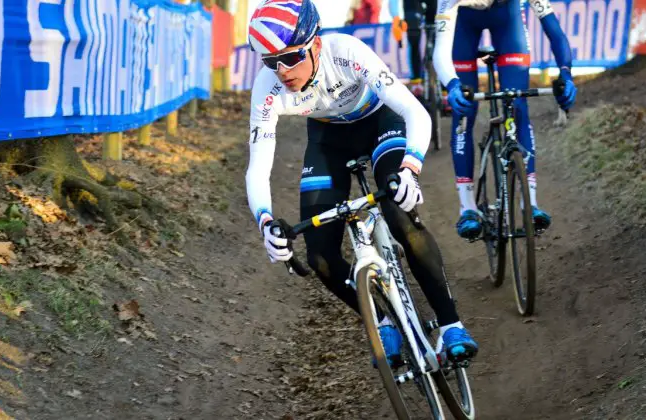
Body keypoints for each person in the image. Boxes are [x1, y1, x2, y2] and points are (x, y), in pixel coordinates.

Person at [246, 0, 477, 366]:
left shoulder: (348, 53)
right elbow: (258, 166)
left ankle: (451, 325)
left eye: (290, 58)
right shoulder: (268, 90)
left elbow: (414, 111)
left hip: (379, 123)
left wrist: (410, 170)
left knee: (398, 212)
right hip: (328, 141)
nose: (282, 71)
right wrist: (265, 221)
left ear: (315, 44)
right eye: (270, 62)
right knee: (320, 257)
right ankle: (383, 320)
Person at [433, 0, 578, 239]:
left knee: (518, 105)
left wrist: (565, 72)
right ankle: (467, 207)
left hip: (507, 21)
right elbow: (441, 51)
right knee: (463, 112)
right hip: (462, 27)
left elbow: (555, 32)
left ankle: (529, 203)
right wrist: (452, 84)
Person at [388, 0, 437, 98]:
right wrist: (396, 17)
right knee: (414, 39)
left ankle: (445, 91)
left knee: (438, 39)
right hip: (412, 4)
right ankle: (416, 83)